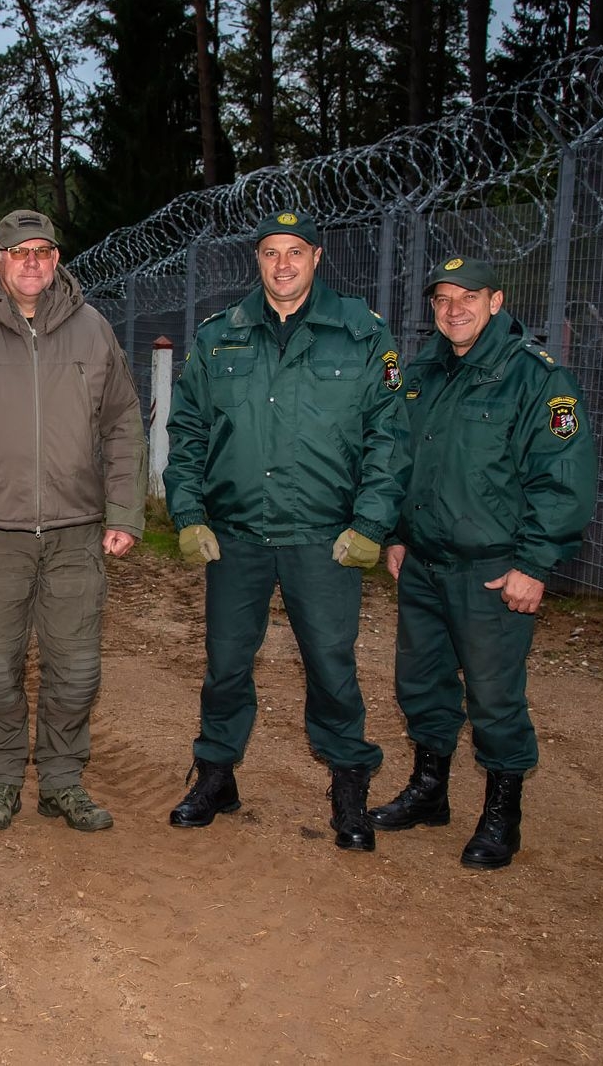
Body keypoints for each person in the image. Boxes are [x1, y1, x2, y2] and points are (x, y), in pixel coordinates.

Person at [163, 210, 410, 850]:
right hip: (237, 534)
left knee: (331, 665)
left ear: (317, 257)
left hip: (324, 537)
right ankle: (216, 776)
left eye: (294, 252)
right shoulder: (221, 336)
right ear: (258, 259)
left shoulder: (360, 336)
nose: (282, 265)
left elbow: (390, 439)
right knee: (224, 663)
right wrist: (187, 512)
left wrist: (371, 524)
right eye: (270, 252)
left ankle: (348, 788)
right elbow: (186, 431)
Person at [369, 256, 597, 869]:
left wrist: (536, 563)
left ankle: (502, 815)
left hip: (492, 571)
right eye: (442, 299)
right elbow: (399, 459)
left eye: (468, 296)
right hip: (424, 564)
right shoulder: (424, 372)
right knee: (421, 686)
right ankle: (429, 791)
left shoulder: (536, 379)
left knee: (495, 698)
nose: (454, 309)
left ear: (495, 301)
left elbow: (563, 479)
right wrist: (395, 532)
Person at [0, 209, 146, 833]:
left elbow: (124, 423)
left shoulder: (93, 330)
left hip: (77, 533)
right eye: (17, 252)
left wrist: (126, 510)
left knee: (76, 674)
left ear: (56, 260)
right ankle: (1, 782)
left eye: (42, 251)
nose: (31, 262)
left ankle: (62, 781)